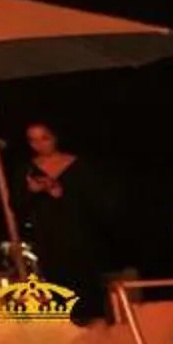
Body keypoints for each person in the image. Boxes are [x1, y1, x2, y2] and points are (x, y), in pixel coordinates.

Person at [19, 119, 130, 319]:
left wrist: (60, 192)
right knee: (57, 287)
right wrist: (31, 192)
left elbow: (97, 202)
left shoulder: (78, 165)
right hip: (48, 238)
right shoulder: (27, 169)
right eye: (32, 140)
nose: (39, 145)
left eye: (44, 138)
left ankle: (94, 323)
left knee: (85, 284)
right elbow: (17, 205)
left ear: (55, 137)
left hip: (80, 235)